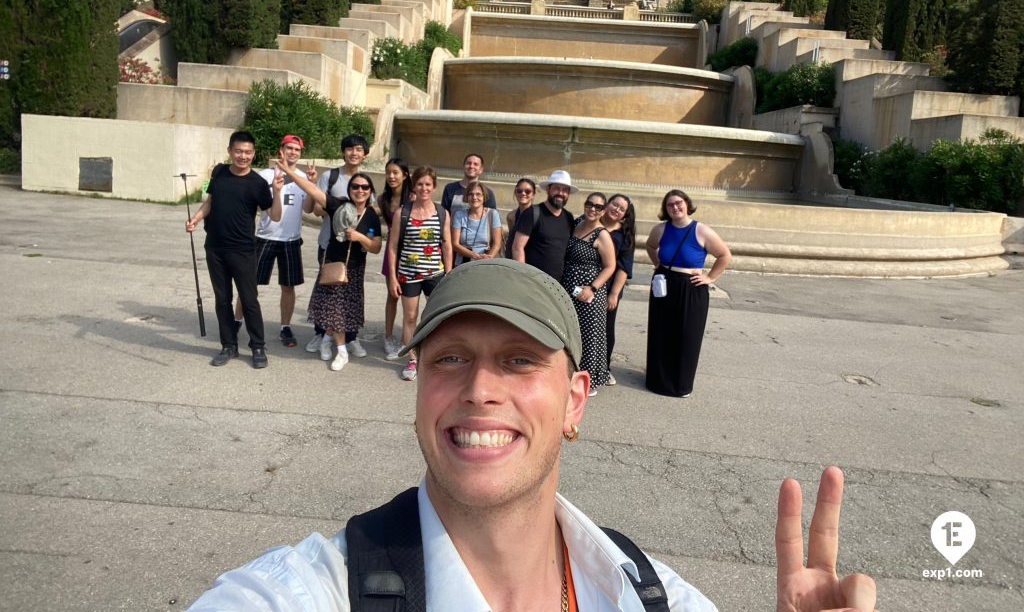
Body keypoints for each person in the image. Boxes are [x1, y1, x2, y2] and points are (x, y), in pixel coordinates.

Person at [187, 259, 877, 612]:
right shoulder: (313, 591)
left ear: (577, 401)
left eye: (520, 360)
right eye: (450, 357)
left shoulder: (651, 595)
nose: (480, 389)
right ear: (418, 383)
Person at [185, 131, 283, 369]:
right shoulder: (219, 172)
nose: (243, 156)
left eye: (248, 152)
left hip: (243, 250)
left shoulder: (258, 183)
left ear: (254, 154)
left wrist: (277, 191)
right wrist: (196, 219)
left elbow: (276, 216)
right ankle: (229, 346)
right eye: (238, 151)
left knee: (249, 299)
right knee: (222, 299)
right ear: (230, 151)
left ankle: (258, 346)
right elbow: (211, 201)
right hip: (215, 248)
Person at [644, 190, 731, 398]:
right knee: (660, 332)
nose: (675, 208)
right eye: (670, 205)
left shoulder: (702, 230)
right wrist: (658, 264)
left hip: (690, 287)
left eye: (678, 203)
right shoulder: (661, 229)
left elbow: (724, 255)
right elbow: (650, 246)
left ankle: (680, 385)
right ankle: (657, 380)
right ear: (665, 209)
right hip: (664, 283)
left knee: (687, 335)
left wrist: (710, 278)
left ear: (687, 204)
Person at [232, 134, 315, 349]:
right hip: (265, 237)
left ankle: (285, 327)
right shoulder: (264, 175)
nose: (293, 152)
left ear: (301, 153)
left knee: (288, 286)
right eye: (289, 148)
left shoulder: (302, 177)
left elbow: (308, 209)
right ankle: (236, 322)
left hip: (291, 240)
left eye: (297, 149)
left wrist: (311, 185)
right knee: (249, 285)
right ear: (281, 150)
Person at [297, 171, 383, 370]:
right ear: (349, 189)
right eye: (355, 186)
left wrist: (359, 237)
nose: (359, 190)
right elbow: (313, 191)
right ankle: (342, 351)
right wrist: (289, 172)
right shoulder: (338, 205)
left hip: (355, 269)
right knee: (336, 310)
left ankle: (327, 340)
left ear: (370, 192)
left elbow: (376, 247)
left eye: (364, 187)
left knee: (344, 311)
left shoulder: (371, 216)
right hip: (334, 265)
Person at [387, 165, 453, 382]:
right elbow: (393, 246)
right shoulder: (402, 213)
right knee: (410, 317)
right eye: (420, 184)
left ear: (434, 187)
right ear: (414, 186)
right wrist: (393, 277)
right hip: (409, 274)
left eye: (428, 184)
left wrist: (449, 273)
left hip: (435, 272)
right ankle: (412, 358)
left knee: (436, 316)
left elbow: (446, 245)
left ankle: (436, 355)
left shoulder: (442, 213)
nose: (424, 188)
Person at [307, 134, 369, 354]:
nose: (354, 153)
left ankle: (350, 337)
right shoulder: (331, 177)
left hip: (353, 248)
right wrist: (338, 208)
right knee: (327, 288)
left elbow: (371, 211)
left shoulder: (364, 181)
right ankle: (321, 334)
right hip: (329, 243)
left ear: (365, 154)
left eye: (359, 149)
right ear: (344, 152)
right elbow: (315, 210)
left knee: (351, 292)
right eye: (350, 149)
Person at [561, 192, 616, 396]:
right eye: (590, 204)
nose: (593, 209)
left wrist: (591, 288)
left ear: (603, 211)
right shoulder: (576, 224)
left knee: (589, 335)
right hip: (568, 287)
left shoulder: (602, 235)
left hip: (589, 293)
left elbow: (610, 267)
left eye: (599, 207)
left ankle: (589, 379)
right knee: (570, 332)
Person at [510, 169, 576, 280]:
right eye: (556, 188)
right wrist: (522, 277)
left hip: (557, 284)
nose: (560, 193)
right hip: (532, 280)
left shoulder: (568, 217)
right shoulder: (532, 213)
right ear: (548, 189)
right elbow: (517, 247)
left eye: (565, 190)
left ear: (568, 193)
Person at [376, 158, 411, 360]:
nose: (391, 176)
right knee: (392, 294)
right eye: (388, 172)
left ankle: (409, 338)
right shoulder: (384, 200)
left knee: (410, 297)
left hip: (411, 251)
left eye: (395, 172)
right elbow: (369, 216)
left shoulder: (413, 198)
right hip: (393, 250)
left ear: (405, 175)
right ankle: (388, 336)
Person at [600, 193, 636, 386]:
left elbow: (624, 266)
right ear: (607, 204)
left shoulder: (624, 235)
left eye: (622, 209)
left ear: (624, 215)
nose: (617, 210)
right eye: (615, 205)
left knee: (606, 328)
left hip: (609, 287)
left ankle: (604, 368)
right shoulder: (591, 223)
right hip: (585, 282)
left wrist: (614, 294)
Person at [451, 181, 502, 265]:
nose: (474, 197)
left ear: (484, 196)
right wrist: (474, 256)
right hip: (463, 263)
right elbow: (455, 244)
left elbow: (497, 244)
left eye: (478, 194)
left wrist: (487, 259)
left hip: (486, 262)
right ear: (467, 197)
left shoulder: (493, 214)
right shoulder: (459, 215)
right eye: (471, 194)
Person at [503, 176, 536, 252]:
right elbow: (512, 240)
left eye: (527, 191)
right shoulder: (511, 216)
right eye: (519, 191)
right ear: (515, 192)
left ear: (533, 194)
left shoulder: (537, 215)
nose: (523, 193)